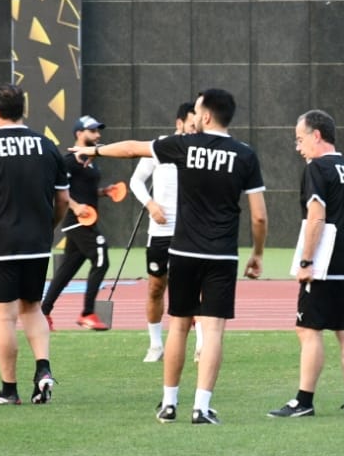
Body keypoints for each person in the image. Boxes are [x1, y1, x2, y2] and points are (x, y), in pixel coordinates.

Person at [73, 88, 266, 424]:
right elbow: (259, 217)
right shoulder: (245, 155)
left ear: (206, 116)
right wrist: (258, 254)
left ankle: (169, 404)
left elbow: (132, 149)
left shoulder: (183, 145)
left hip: (183, 250)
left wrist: (94, 150)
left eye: (198, 110)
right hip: (221, 255)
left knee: (178, 325)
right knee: (213, 330)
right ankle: (201, 408)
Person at [0, 84, 70, 405]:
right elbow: (63, 199)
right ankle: (43, 369)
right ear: (24, 110)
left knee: (4, 316)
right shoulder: (47, 146)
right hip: (37, 242)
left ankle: (9, 390)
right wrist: (49, 226)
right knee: (32, 307)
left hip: (0, 244)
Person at [270, 109, 344, 419]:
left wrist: (306, 261)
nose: (298, 147)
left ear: (317, 135)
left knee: (307, 329)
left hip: (327, 262)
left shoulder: (317, 168)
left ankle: (304, 401)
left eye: (300, 139)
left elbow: (316, 217)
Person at [127, 101, 199, 362]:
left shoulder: (200, 151)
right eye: (191, 124)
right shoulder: (160, 147)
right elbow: (136, 181)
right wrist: (150, 204)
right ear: (179, 123)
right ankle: (156, 345)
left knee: (194, 288)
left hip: (191, 231)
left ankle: (201, 344)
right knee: (156, 287)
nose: (195, 130)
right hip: (160, 230)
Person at [40, 115, 115, 331]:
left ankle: (43, 312)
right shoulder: (69, 161)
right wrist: (74, 206)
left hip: (86, 220)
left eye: (98, 131)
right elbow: (57, 190)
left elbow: (84, 190)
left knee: (66, 271)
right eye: (93, 131)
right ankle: (87, 313)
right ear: (79, 134)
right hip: (77, 222)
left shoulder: (90, 162)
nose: (98, 135)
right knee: (101, 258)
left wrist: (103, 192)